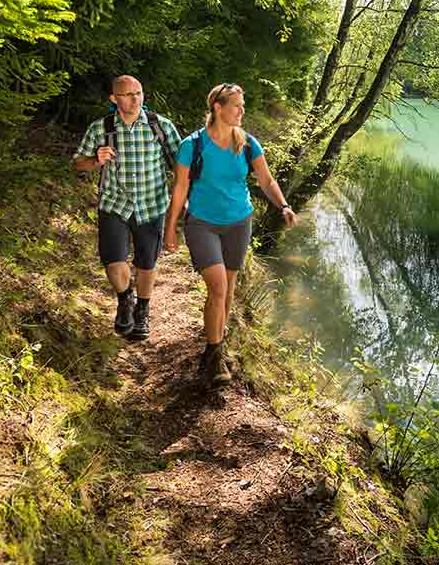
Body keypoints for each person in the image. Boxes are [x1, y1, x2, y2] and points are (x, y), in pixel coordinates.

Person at [163, 83, 297, 386]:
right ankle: (213, 356)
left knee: (229, 287)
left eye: (243, 105)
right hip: (202, 223)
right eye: (236, 105)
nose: (241, 111)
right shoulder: (192, 145)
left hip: (238, 222)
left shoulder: (248, 143)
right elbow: (180, 188)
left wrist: (283, 205)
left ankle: (217, 348)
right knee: (219, 286)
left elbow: (266, 179)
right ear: (218, 108)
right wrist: (171, 226)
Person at [74, 75, 181, 341]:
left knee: (147, 263)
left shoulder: (160, 126)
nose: (135, 99)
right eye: (127, 94)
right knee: (113, 261)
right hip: (114, 204)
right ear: (114, 99)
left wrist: (186, 197)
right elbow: (79, 163)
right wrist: (95, 160)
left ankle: (143, 310)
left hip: (151, 204)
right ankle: (125, 299)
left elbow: (180, 165)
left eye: (139, 93)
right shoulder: (101, 128)